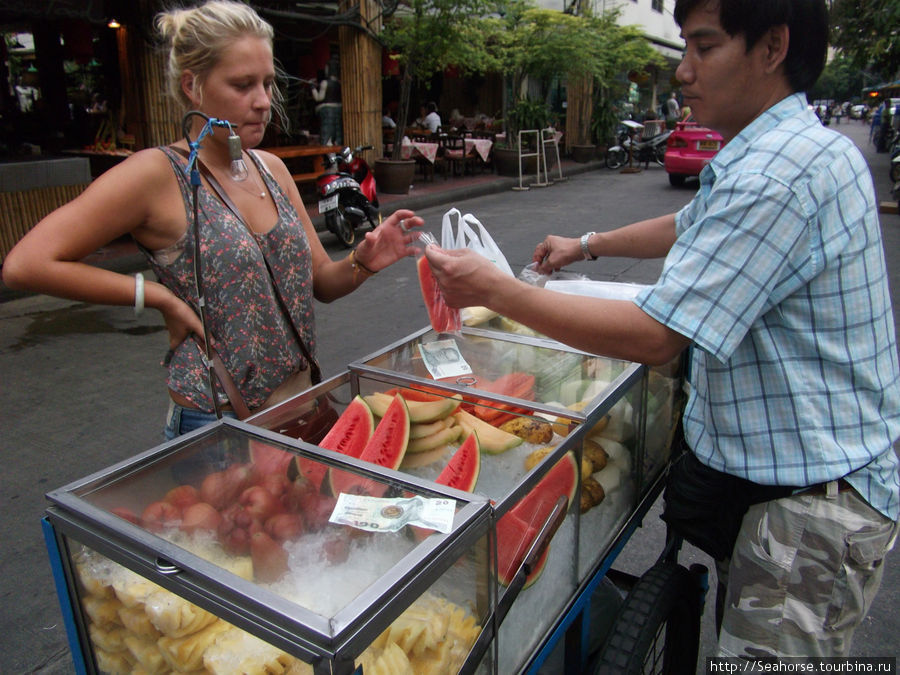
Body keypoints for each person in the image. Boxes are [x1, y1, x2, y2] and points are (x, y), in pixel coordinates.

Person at [425, 0, 899, 659]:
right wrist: (585, 243)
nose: (684, 71)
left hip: (812, 508)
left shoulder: (779, 173)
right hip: (791, 488)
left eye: (704, 47)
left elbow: (655, 335)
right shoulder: (778, 150)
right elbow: (692, 225)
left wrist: (496, 288)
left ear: (771, 48)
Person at [1, 0, 423, 439]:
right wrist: (160, 298)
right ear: (192, 86)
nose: (262, 102)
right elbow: (26, 264)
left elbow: (322, 281)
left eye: (267, 83)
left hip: (299, 407)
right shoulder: (158, 174)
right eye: (242, 85)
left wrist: (364, 261)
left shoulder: (271, 169)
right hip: (217, 423)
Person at [311, 57, 343, 145]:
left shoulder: (325, 83)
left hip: (327, 110)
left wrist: (313, 88)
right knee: (338, 132)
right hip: (339, 109)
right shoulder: (340, 84)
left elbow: (319, 98)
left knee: (326, 133)